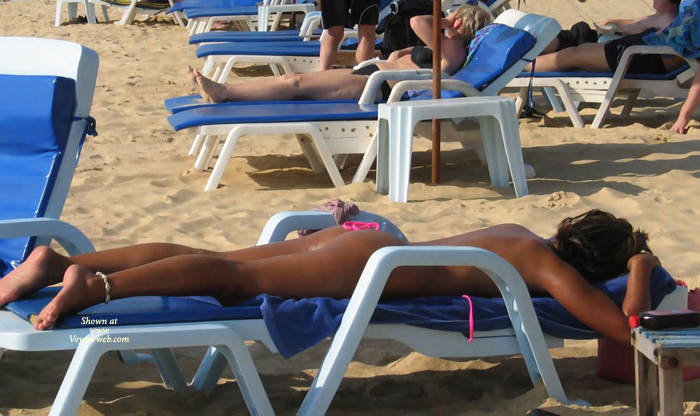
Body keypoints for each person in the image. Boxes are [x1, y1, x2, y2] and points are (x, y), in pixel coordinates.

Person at [0, 209, 663, 346]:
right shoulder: (546, 267)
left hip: (367, 245)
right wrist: (639, 267)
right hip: (372, 264)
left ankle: (58, 264)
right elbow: (627, 327)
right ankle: (96, 287)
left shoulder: (523, 236)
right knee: (232, 279)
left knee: (220, 257)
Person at [190, 5, 490, 104]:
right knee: (296, 81)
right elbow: (403, 50)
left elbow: (417, 22)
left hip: (379, 86)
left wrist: (445, 23)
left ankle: (226, 92)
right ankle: (226, 91)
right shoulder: (443, 46)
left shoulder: (454, 48)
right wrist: (399, 55)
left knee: (295, 83)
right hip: (374, 74)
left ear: (460, 22)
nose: (448, 15)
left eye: (454, 15)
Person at [541, 0, 689, 55]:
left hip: (607, 46)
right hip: (606, 39)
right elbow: (637, 23)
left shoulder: (668, 22)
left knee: (578, 32)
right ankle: (540, 46)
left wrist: (616, 30)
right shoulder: (662, 15)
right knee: (579, 30)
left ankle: (537, 51)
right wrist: (613, 22)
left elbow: (646, 37)